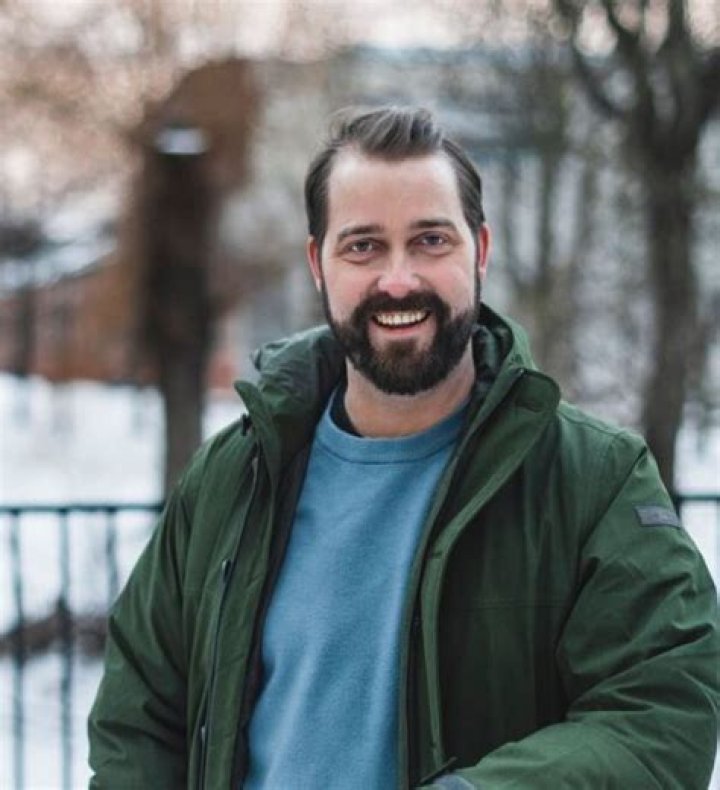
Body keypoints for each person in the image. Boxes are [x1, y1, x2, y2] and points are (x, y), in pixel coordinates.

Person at [88, 106, 719, 789]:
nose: (398, 279)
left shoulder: (594, 480)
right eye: (363, 246)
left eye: (430, 241)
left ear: (479, 250)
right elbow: (137, 722)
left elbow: (661, 714)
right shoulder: (231, 478)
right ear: (318, 264)